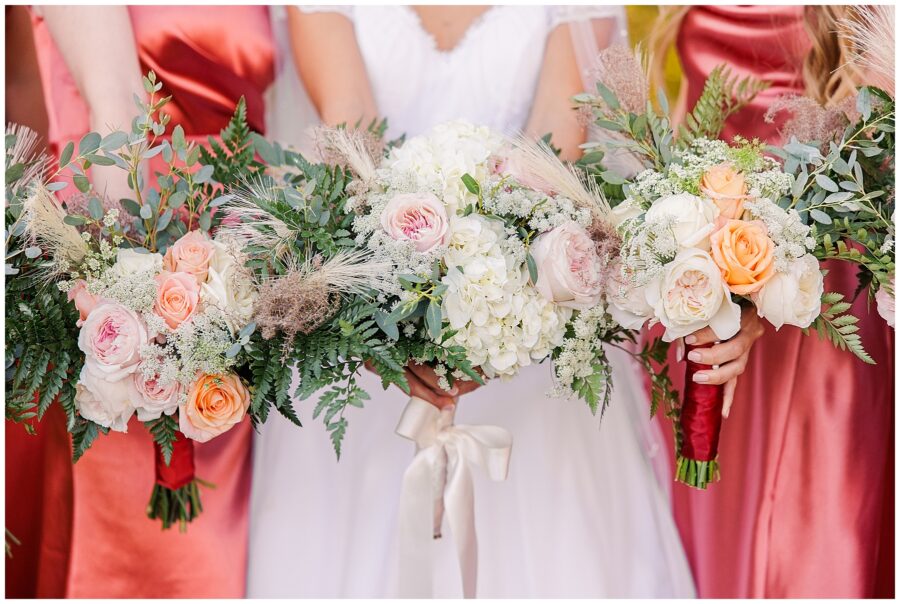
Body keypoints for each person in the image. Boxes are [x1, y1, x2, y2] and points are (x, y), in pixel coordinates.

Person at [248, 5, 761, 597]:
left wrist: (488, 327)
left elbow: (551, 157)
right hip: (368, 324)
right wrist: (396, 325)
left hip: (528, 317)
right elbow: (351, 140)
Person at [26, 6, 275, 597]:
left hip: (240, 260)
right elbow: (114, 105)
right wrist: (135, 277)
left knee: (225, 532)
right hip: (120, 216)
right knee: (126, 545)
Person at [648, 5, 894, 598]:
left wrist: (761, 290)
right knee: (700, 534)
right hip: (701, 281)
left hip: (817, 297)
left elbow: (876, 152)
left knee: (805, 540)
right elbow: (691, 122)